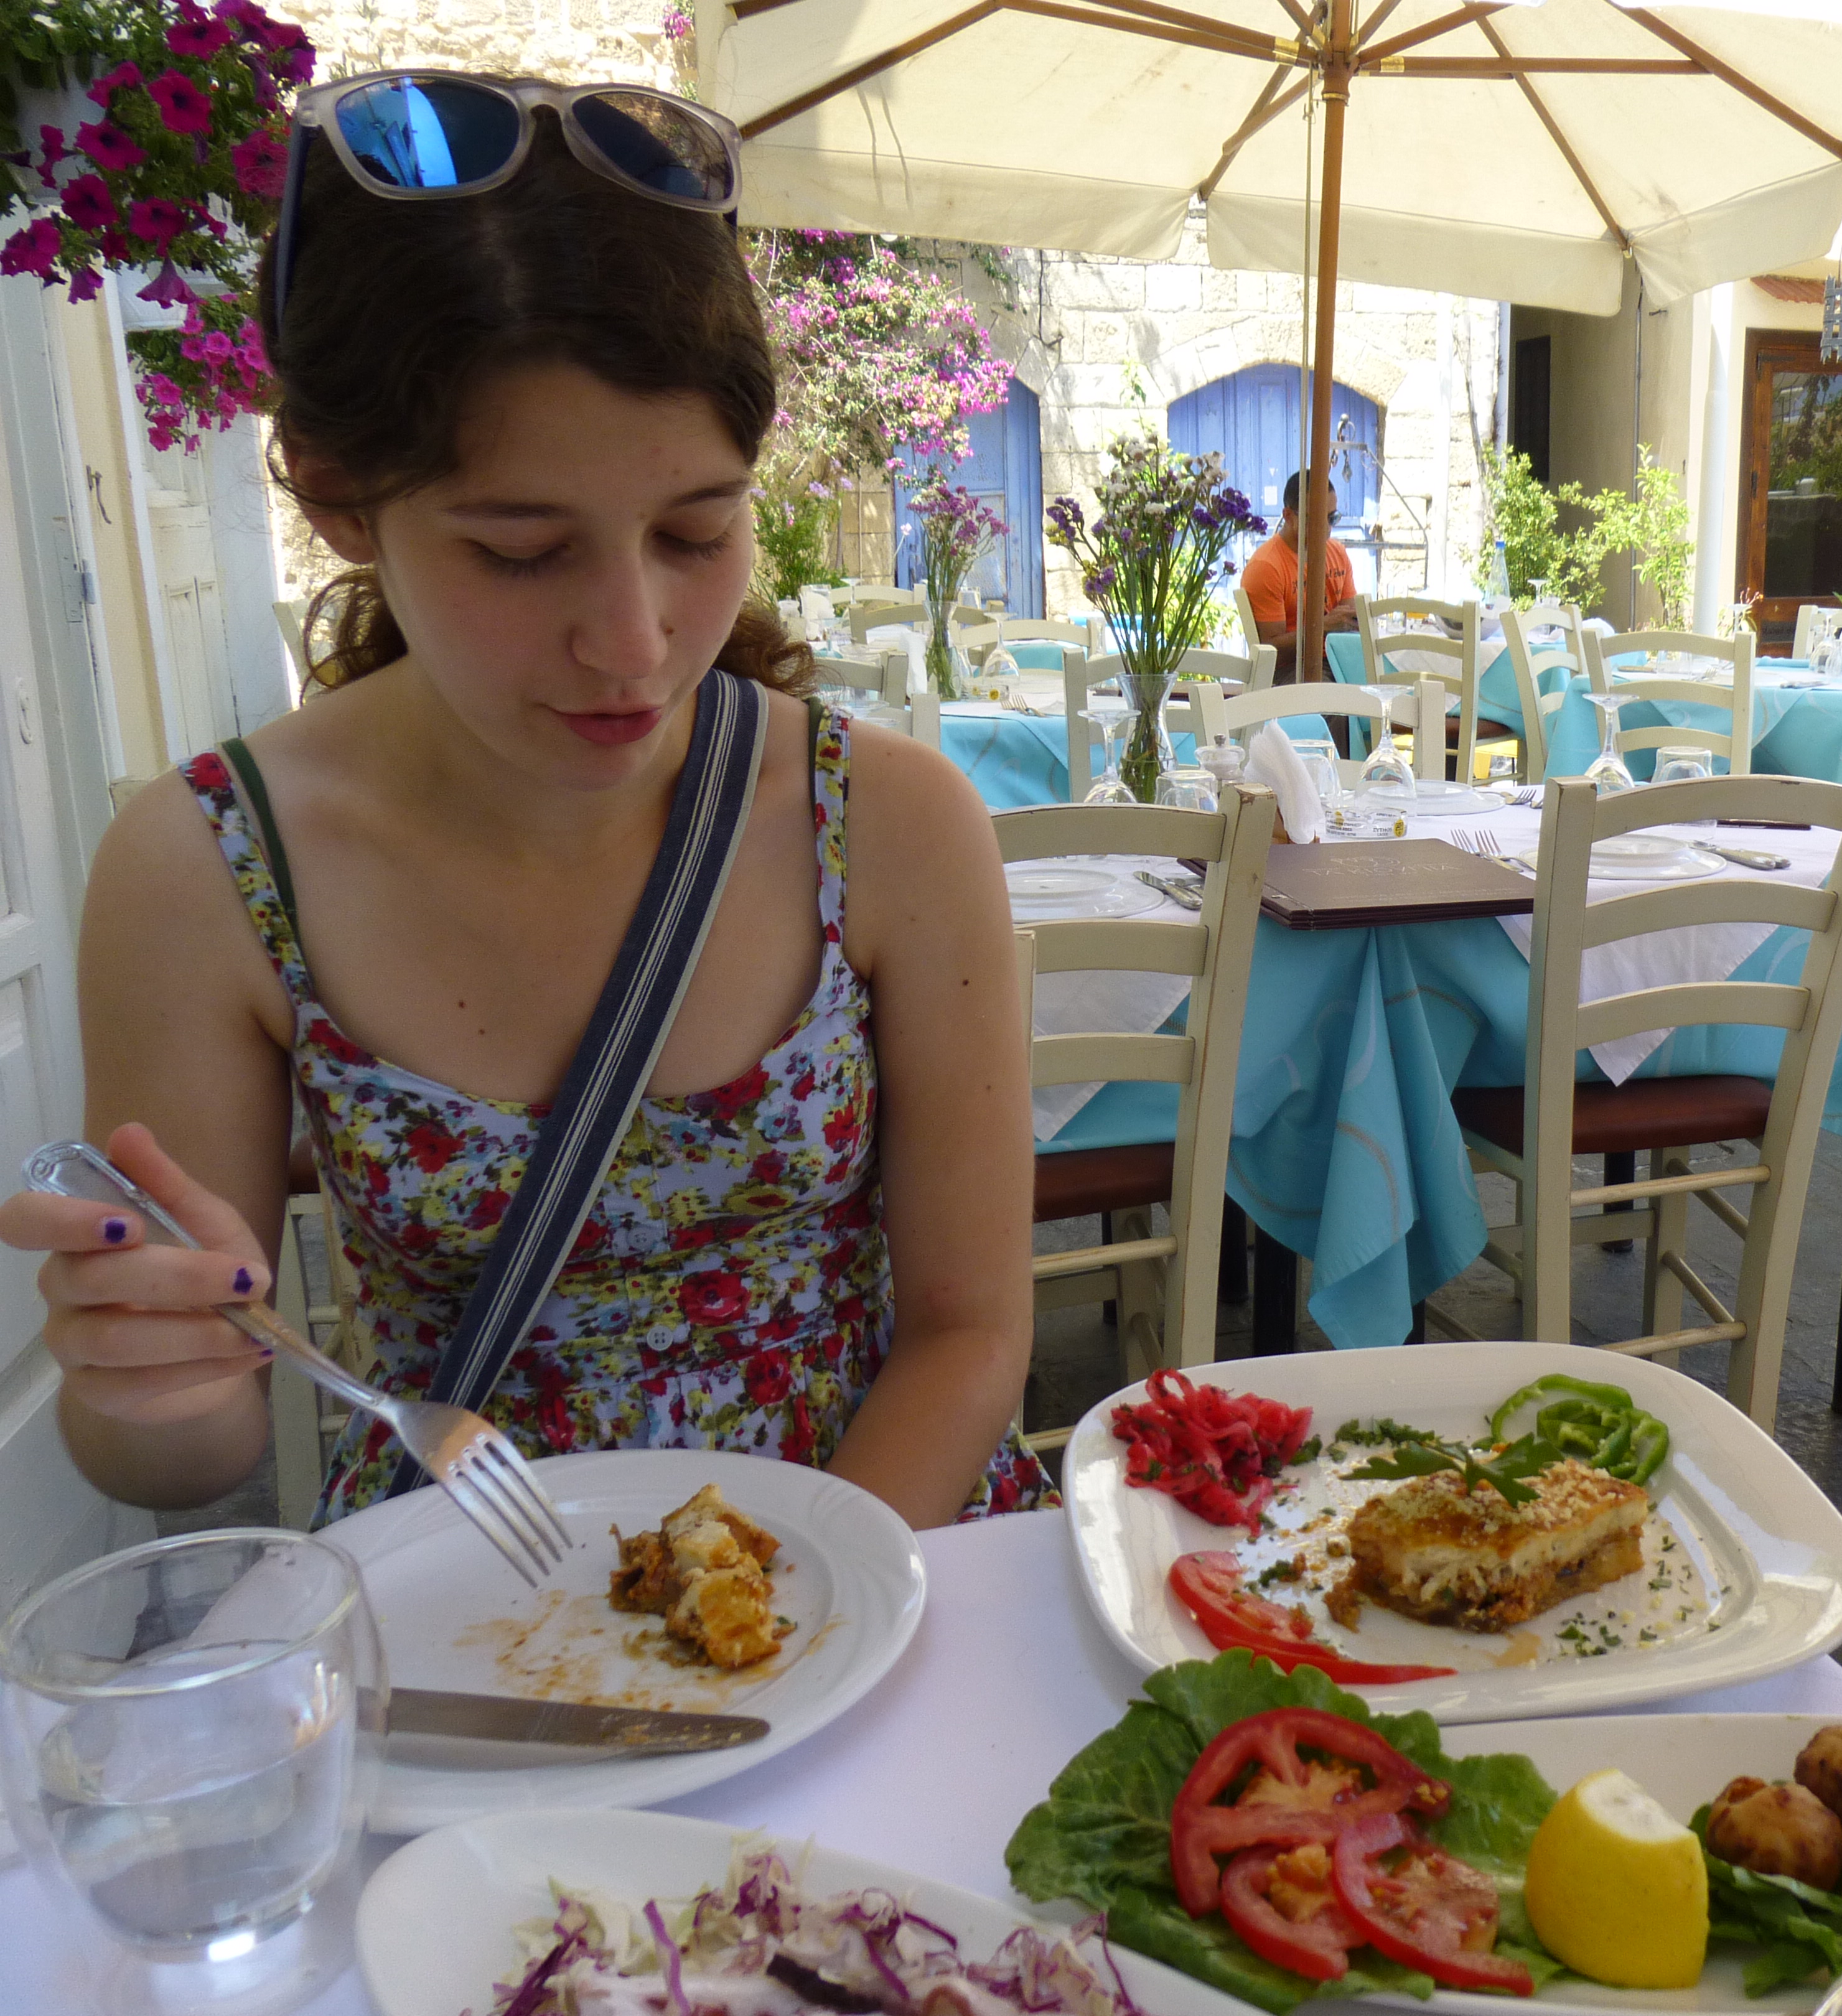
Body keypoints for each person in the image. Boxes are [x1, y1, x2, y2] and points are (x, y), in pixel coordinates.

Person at [0, 75, 1049, 1531]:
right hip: (465, 1586)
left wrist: (789, 1610)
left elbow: (970, 1332)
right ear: (338, 499)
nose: (632, 642)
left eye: (696, 530)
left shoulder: (889, 823)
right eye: (518, 550)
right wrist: (150, 1381)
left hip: (880, 1543)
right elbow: (181, 1461)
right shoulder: (207, 870)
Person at [1240, 472, 1358, 682]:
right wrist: (1322, 627)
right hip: (1292, 668)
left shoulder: (1338, 553)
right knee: (1334, 698)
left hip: (1339, 660)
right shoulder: (1267, 566)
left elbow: (1350, 621)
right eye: (1315, 519)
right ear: (1288, 515)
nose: (1326, 528)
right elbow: (1270, 652)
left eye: (1332, 518)